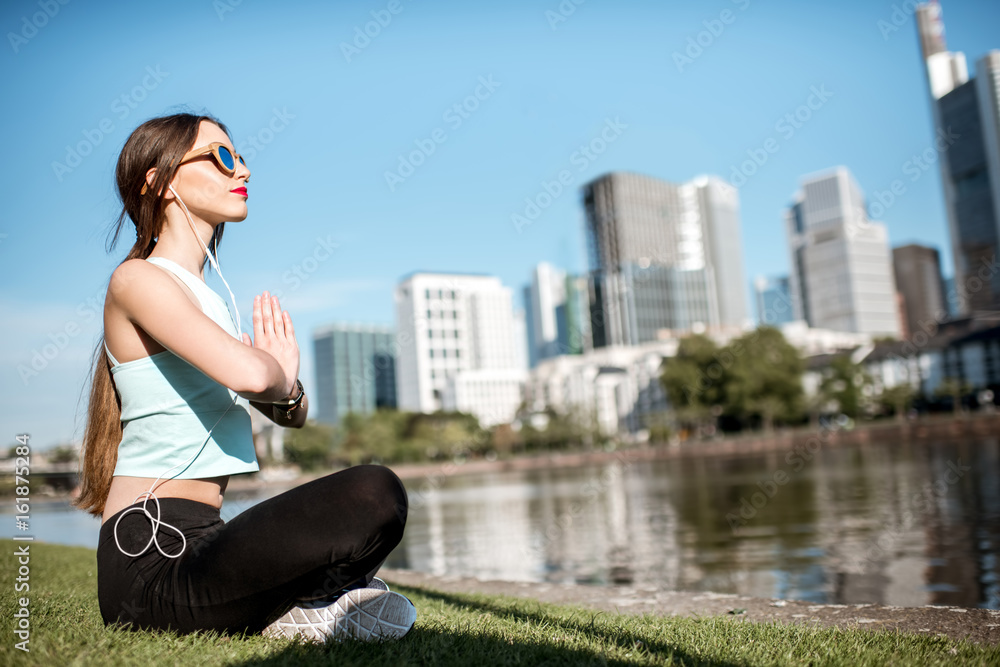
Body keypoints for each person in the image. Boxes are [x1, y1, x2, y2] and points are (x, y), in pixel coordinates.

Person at [73, 111, 416, 643]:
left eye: (242, 157)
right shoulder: (137, 280)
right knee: (374, 491)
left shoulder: (210, 302)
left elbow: (292, 412)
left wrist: (285, 381)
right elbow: (251, 375)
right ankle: (310, 603)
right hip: (149, 560)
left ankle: (297, 607)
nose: (244, 170)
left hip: (207, 536)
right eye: (223, 157)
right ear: (159, 181)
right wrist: (273, 374)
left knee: (380, 496)